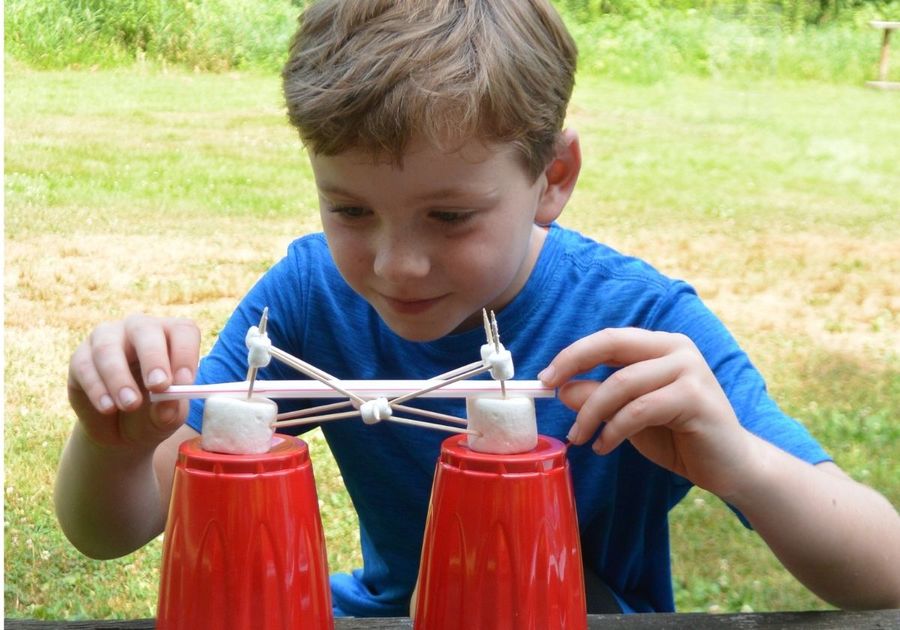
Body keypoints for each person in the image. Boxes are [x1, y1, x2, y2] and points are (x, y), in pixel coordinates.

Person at [57, 0, 900, 617]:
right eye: (350, 210)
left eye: (450, 217)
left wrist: (743, 465)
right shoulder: (310, 298)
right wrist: (116, 446)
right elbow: (108, 531)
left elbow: (885, 572)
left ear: (553, 178)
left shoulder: (639, 325)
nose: (395, 264)